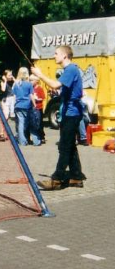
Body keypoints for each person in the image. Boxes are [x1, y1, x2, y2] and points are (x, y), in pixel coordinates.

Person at [31, 45, 86, 190]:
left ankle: (57, 179)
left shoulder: (71, 69)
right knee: (70, 145)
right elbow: (64, 90)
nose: (54, 56)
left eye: (56, 53)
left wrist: (40, 74)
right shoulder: (69, 70)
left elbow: (55, 85)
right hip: (69, 112)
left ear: (64, 56)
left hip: (72, 113)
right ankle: (76, 177)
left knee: (64, 146)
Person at [12, 67, 40, 146]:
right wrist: (35, 105)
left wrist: (13, 106)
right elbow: (31, 95)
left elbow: (14, 96)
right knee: (31, 123)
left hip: (18, 105)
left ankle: (22, 141)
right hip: (27, 105)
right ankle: (36, 141)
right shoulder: (29, 84)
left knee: (21, 123)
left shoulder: (16, 84)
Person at [0, 69, 15, 141]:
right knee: (6, 116)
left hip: (12, 99)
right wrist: (5, 80)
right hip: (6, 100)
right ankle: (1, 132)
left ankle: (6, 133)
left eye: (11, 75)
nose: (11, 76)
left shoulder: (12, 81)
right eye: (9, 75)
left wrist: (14, 79)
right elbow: (3, 89)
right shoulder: (3, 82)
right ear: (5, 76)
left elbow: (18, 85)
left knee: (11, 117)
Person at [30, 74, 46, 144]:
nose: (30, 82)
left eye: (32, 80)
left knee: (39, 123)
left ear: (36, 81)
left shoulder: (39, 88)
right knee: (33, 123)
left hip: (39, 108)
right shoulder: (31, 88)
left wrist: (37, 98)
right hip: (32, 108)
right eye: (29, 80)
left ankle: (42, 136)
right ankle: (35, 137)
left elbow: (43, 98)